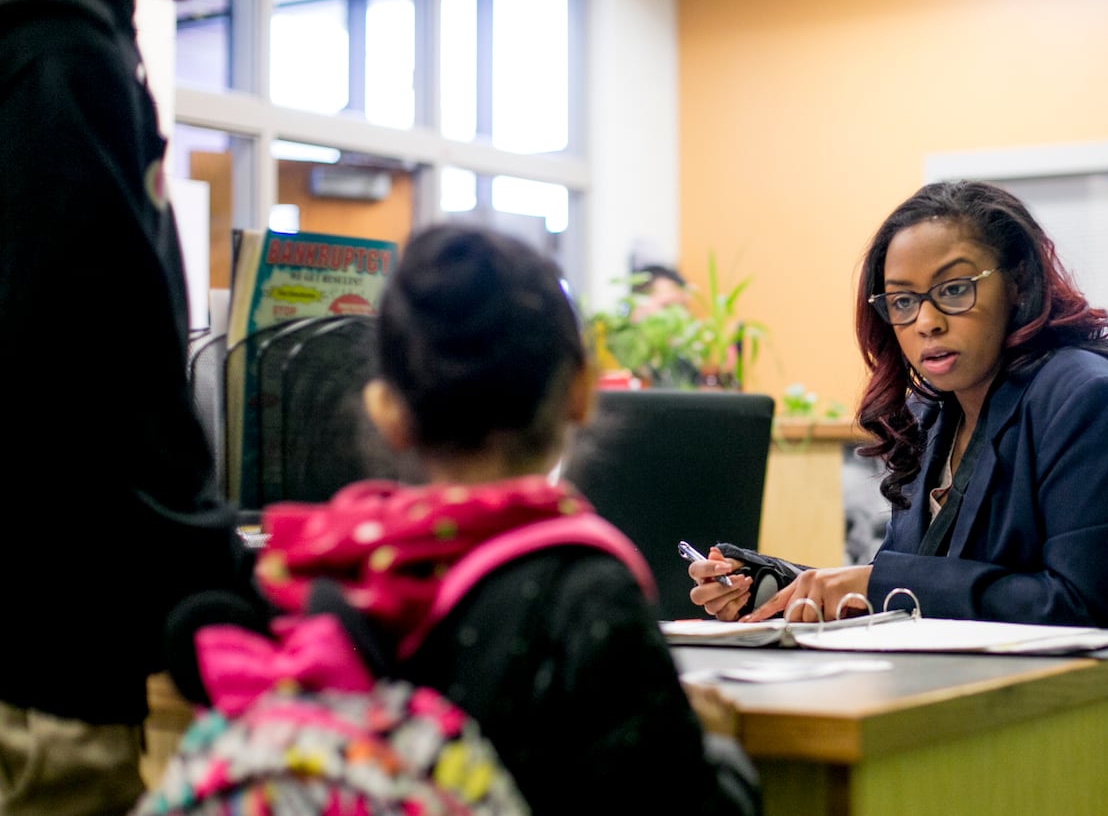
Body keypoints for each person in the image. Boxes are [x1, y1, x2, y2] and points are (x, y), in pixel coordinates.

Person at [159, 225, 759, 812]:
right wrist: (717, 746)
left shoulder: (313, 571)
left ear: (387, 411)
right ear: (580, 389)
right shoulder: (583, 590)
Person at [0, 0, 253, 812]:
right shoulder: (53, 57)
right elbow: (88, 385)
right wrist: (222, 583)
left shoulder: (69, 35)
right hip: (41, 661)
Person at [689, 180, 1108, 630]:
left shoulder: (1086, 399)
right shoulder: (929, 414)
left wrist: (874, 584)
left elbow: (1095, 608)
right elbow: (924, 582)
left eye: (953, 290)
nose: (926, 321)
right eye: (902, 301)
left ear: (1020, 283)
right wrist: (784, 588)